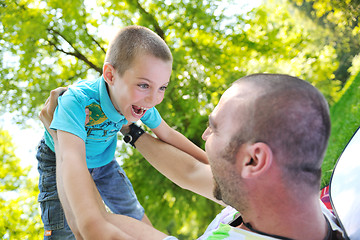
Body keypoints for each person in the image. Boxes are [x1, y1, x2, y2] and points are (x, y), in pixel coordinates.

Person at [39, 73, 345, 239]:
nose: (204, 136)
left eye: (214, 128)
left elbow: (91, 227)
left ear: (253, 160)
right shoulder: (283, 202)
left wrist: (63, 138)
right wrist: (130, 128)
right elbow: (189, 173)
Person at [36, 25, 207, 239]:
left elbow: (168, 135)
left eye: (162, 87)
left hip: (103, 162)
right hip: (58, 158)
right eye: (144, 85)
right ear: (110, 75)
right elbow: (71, 159)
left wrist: (211, 164)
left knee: (132, 212)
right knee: (63, 231)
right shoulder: (77, 101)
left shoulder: (139, 103)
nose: (154, 99)